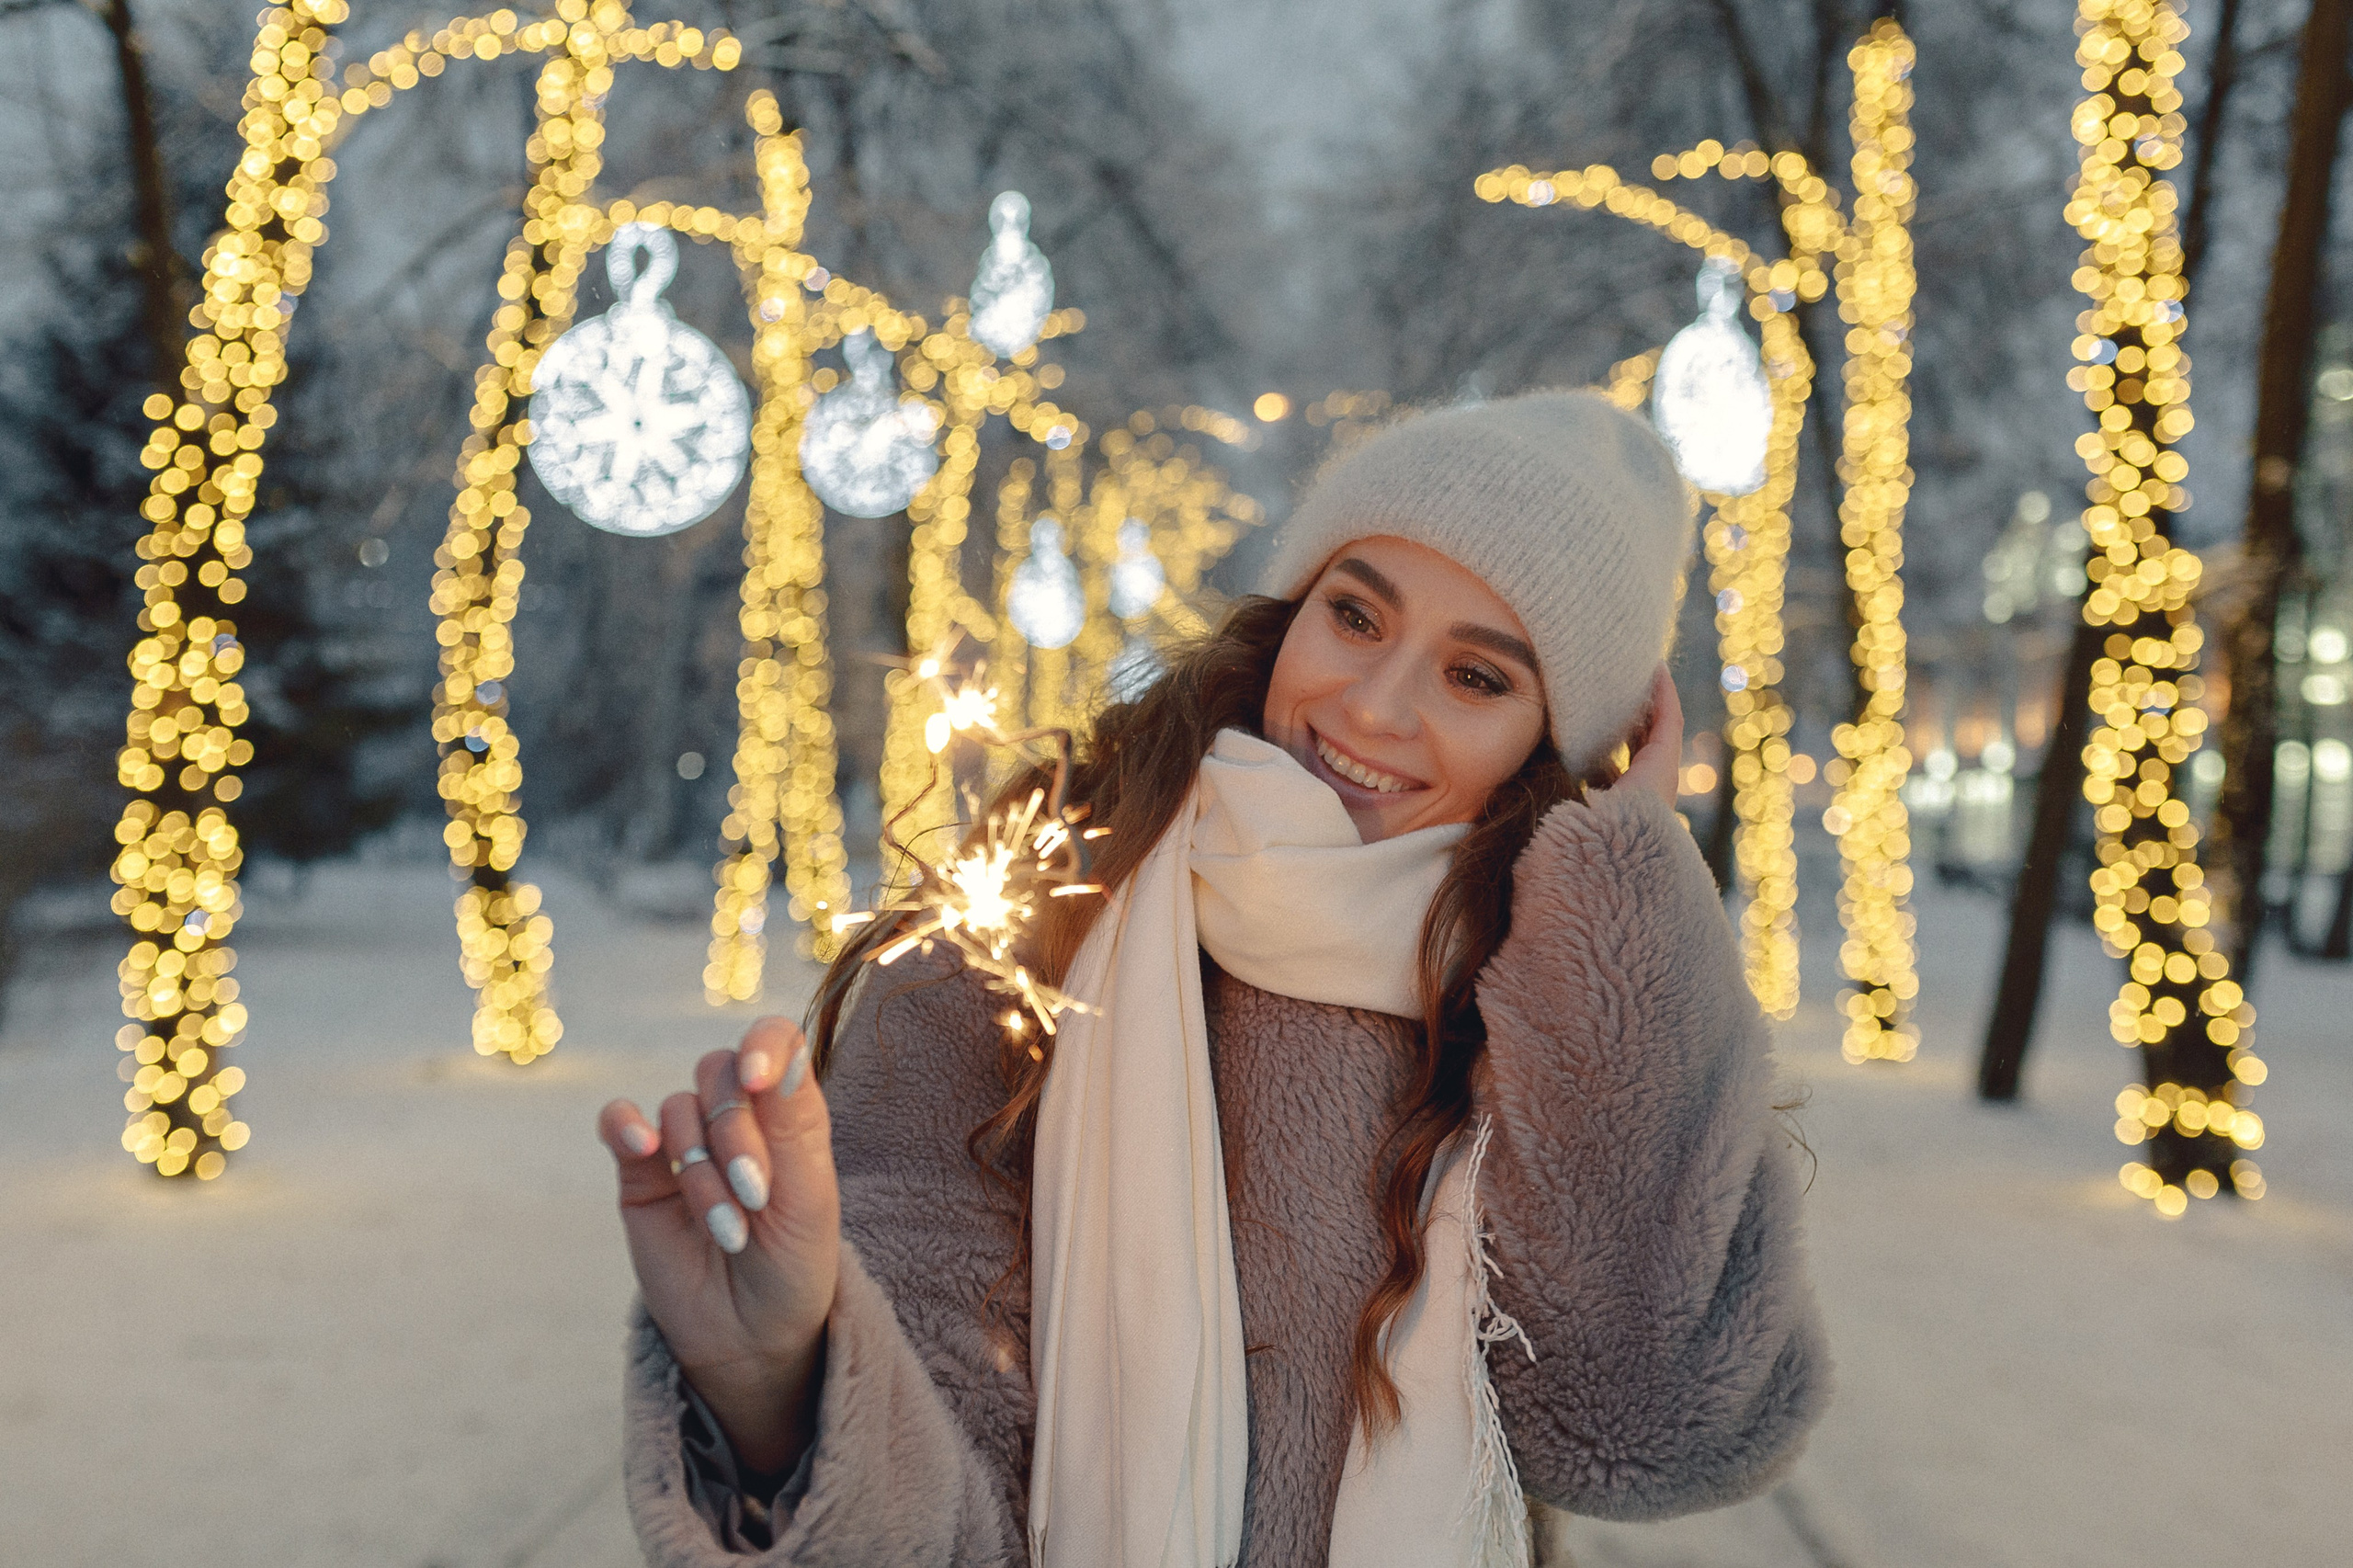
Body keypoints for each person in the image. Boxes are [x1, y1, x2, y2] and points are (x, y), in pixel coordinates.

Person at [598, 390, 1830, 1568]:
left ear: (1555, 745)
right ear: (1291, 606)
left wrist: (1621, 894)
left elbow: (1646, 1428)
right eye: (1355, 613)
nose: (1375, 703)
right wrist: (776, 1379)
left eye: (1478, 676)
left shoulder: (1559, 1012)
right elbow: (940, 1481)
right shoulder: (1033, 924)